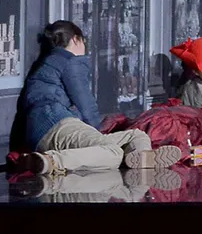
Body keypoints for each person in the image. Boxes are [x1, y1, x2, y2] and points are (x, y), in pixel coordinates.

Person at [9, 20, 183, 176]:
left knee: (137, 136)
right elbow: (85, 102)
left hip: (47, 127)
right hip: (56, 123)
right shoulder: (69, 61)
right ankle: (51, 161)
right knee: (113, 152)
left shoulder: (46, 64)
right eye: (84, 42)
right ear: (76, 39)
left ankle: (142, 158)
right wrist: (97, 132)